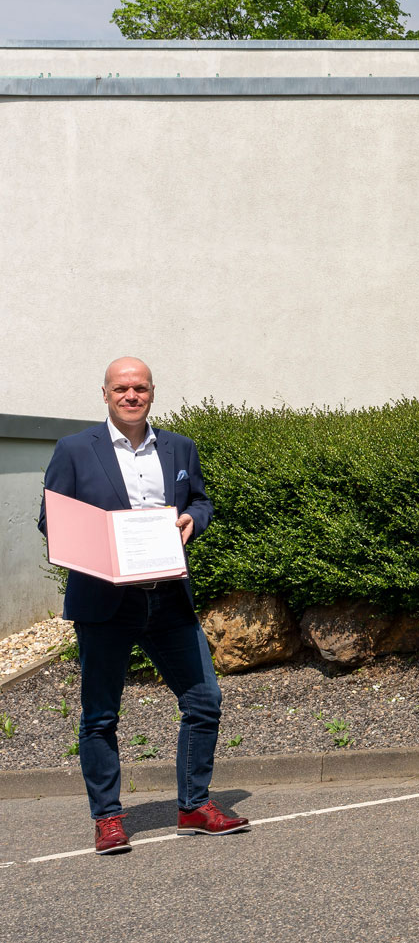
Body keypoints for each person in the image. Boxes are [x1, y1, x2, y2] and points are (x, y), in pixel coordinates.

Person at [38, 358, 249, 855]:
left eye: (140, 388)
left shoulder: (180, 447)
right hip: (104, 599)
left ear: (152, 392)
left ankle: (194, 806)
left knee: (204, 701)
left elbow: (200, 501)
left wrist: (194, 519)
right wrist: (99, 544)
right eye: (121, 388)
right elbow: (51, 518)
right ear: (105, 394)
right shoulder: (74, 449)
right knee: (100, 715)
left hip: (168, 596)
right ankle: (108, 818)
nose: (130, 396)